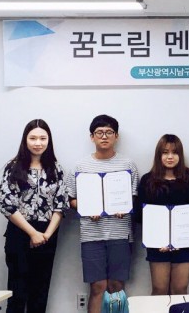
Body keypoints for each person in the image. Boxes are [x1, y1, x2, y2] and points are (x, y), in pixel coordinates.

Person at [66, 115, 139, 313]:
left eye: (109, 132)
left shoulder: (128, 165)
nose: (104, 136)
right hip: (92, 235)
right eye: (99, 133)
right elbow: (70, 199)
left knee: (117, 286)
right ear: (92, 137)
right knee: (98, 286)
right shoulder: (80, 167)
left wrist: (124, 207)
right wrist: (86, 207)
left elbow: (133, 197)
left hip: (120, 234)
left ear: (116, 136)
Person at [0, 119, 69, 313]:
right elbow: (7, 204)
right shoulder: (13, 167)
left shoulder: (56, 168)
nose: (38, 143)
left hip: (48, 233)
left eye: (43, 138)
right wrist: (32, 233)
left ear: (49, 140)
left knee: (40, 293)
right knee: (17, 292)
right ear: (25, 140)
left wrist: (46, 235)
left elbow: (61, 205)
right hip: (19, 232)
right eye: (33, 138)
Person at [135, 134, 189, 295]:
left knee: (180, 289)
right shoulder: (148, 180)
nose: (170, 157)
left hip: (184, 243)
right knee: (159, 290)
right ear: (159, 155)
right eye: (165, 152)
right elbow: (140, 215)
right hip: (157, 245)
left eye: (175, 152)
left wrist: (181, 238)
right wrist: (159, 239)